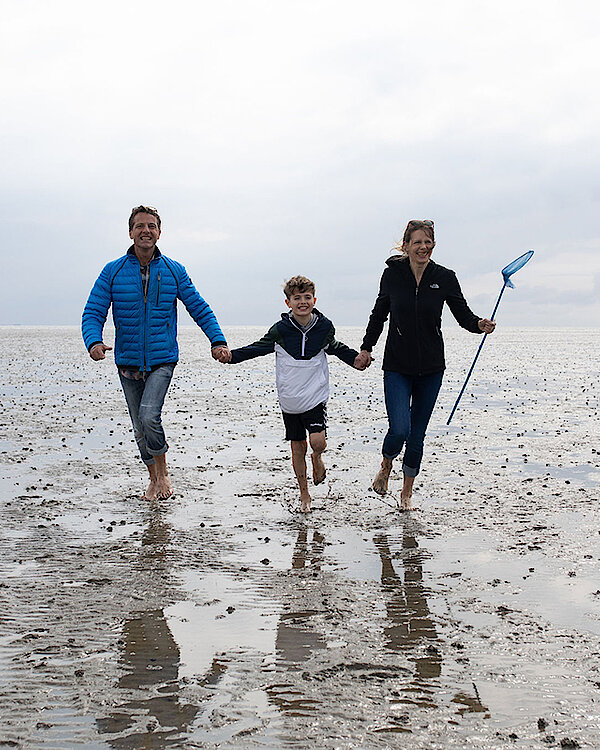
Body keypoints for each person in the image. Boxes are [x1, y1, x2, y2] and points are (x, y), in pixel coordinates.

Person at [82, 205, 229, 500]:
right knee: (139, 428)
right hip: (127, 361)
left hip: (162, 359)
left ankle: (163, 474)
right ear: (130, 232)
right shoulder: (113, 271)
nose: (145, 231)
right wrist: (93, 342)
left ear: (159, 233)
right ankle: (154, 479)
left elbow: (198, 306)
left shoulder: (174, 270)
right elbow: (93, 311)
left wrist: (217, 341)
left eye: (151, 226)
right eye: (140, 226)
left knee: (150, 416)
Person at [355, 219, 495, 510]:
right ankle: (385, 465)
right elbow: (379, 315)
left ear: (433, 245)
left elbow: (463, 316)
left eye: (427, 242)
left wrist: (479, 324)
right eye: (417, 242)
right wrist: (367, 348)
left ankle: (406, 494)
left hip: (431, 368)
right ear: (405, 245)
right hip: (396, 366)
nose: (423, 247)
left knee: (417, 434)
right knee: (399, 430)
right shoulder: (392, 276)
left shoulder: (444, 276)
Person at [216, 275, 369, 512]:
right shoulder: (280, 331)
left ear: (314, 300)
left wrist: (356, 361)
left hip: (314, 395)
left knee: (318, 442)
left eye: (307, 297)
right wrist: (231, 356)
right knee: (298, 447)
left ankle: (317, 459)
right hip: (290, 400)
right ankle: (304, 495)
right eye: (297, 298)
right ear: (288, 303)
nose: (303, 302)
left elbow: (337, 348)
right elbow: (255, 349)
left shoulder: (324, 327)